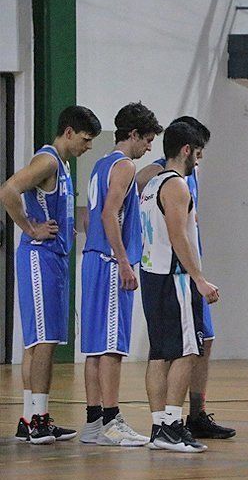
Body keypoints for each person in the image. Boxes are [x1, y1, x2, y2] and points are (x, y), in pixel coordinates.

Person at [1, 105, 101, 444]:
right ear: (69, 132)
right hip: (39, 257)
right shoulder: (47, 161)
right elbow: (8, 190)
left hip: (53, 258)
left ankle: (29, 417)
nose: (88, 147)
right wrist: (30, 228)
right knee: (44, 343)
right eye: (86, 140)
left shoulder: (63, 163)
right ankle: (39, 418)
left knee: (37, 342)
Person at [136, 117, 235, 440]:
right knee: (186, 351)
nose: (200, 159)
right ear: (187, 150)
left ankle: (159, 425)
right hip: (173, 276)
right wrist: (199, 279)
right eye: (199, 152)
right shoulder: (175, 185)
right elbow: (179, 237)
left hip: (152, 273)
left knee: (159, 353)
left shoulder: (151, 184)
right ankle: (172, 424)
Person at [80, 102, 162, 446]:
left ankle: (94, 422)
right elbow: (109, 214)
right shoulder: (125, 166)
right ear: (133, 135)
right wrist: (125, 261)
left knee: (96, 348)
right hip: (113, 263)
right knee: (112, 346)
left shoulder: (100, 164)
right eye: (147, 139)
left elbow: (91, 215)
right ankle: (113, 420)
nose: (149, 146)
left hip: (93, 259)